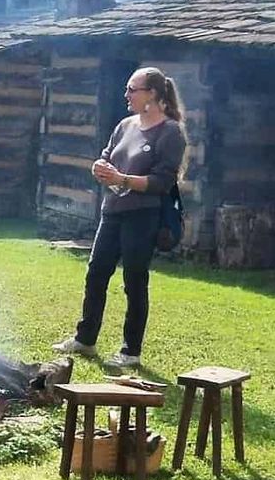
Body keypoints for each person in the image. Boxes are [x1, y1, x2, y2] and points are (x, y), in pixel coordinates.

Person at [54, 66, 187, 369]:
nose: (126, 94)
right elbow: (107, 155)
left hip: (143, 216)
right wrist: (99, 167)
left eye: (132, 89)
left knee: (134, 281)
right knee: (96, 273)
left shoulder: (170, 133)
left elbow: (161, 183)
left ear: (151, 94)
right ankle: (85, 339)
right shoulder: (125, 125)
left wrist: (122, 178)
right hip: (112, 211)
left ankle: (130, 352)